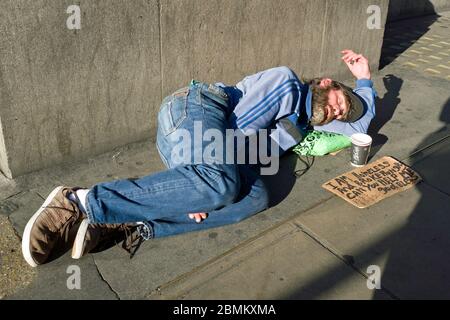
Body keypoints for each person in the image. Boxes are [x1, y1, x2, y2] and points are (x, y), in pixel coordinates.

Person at [21, 49, 376, 267]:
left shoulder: (301, 127)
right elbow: (232, 132)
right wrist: (208, 180)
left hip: (202, 148)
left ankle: (131, 221)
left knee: (258, 196)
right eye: (335, 102)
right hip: (195, 111)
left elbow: (361, 122)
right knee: (221, 183)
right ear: (326, 83)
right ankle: (78, 202)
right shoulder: (287, 86)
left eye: (336, 115)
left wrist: (364, 81)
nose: (333, 112)